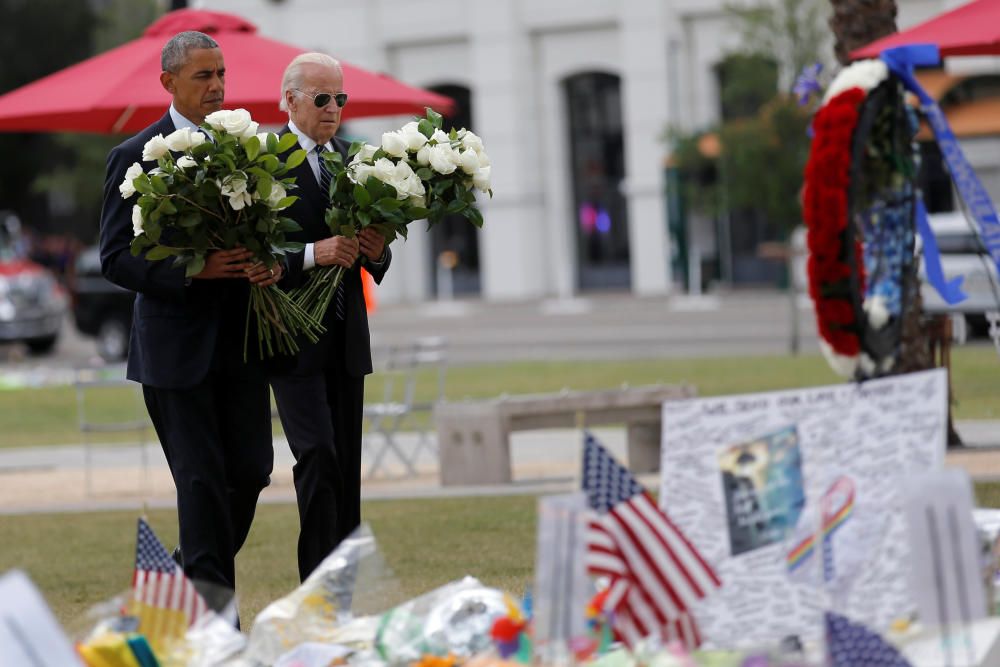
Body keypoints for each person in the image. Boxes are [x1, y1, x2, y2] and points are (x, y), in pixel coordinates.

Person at [99, 31, 281, 604]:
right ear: (168, 83)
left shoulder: (249, 149)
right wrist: (191, 272)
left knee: (251, 473)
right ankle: (215, 629)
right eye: (204, 76)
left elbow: (268, 232)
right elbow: (114, 258)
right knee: (201, 488)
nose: (218, 86)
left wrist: (266, 264)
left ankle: (171, 590)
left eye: (221, 74)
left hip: (243, 347)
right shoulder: (134, 156)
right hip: (175, 354)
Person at [270, 52, 391, 581]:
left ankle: (343, 593)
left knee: (345, 470)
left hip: (346, 336)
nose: (333, 108)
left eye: (340, 98)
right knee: (316, 457)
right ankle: (316, 590)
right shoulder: (264, 163)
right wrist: (309, 253)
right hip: (291, 337)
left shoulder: (355, 161)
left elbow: (375, 258)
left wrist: (378, 247)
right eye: (322, 98)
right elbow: (255, 255)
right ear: (291, 99)